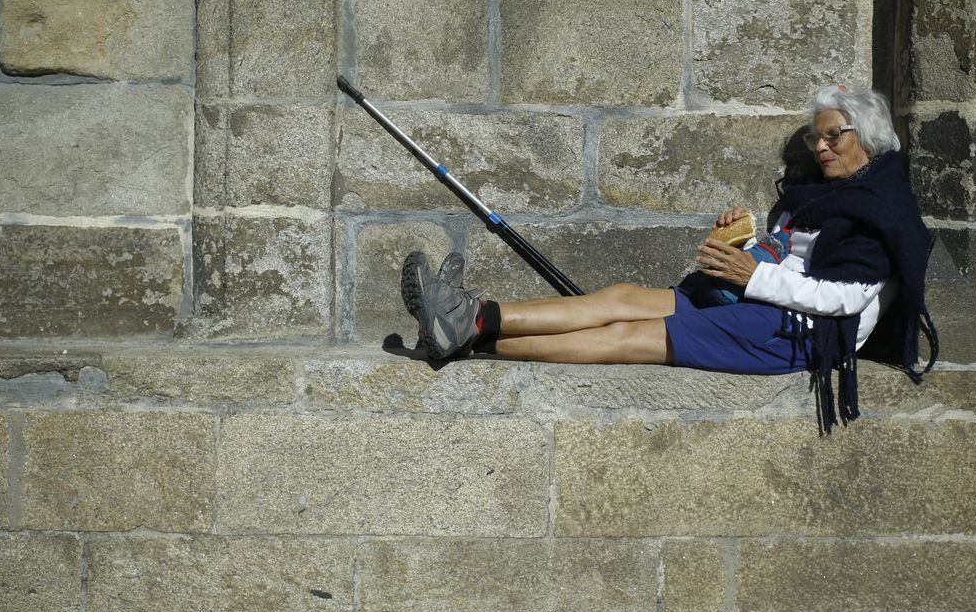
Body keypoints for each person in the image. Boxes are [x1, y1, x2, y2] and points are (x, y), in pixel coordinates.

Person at [401, 86, 938, 433]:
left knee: (628, 336)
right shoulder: (821, 196)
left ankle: (474, 341)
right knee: (622, 298)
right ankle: (472, 316)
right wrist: (740, 248)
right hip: (765, 301)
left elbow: (845, 298)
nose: (820, 147)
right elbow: (788, 260)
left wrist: (756, 273)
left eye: (832, 135)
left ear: (865, 137)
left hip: (798, 330)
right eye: (815, 137)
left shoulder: (881, 209)